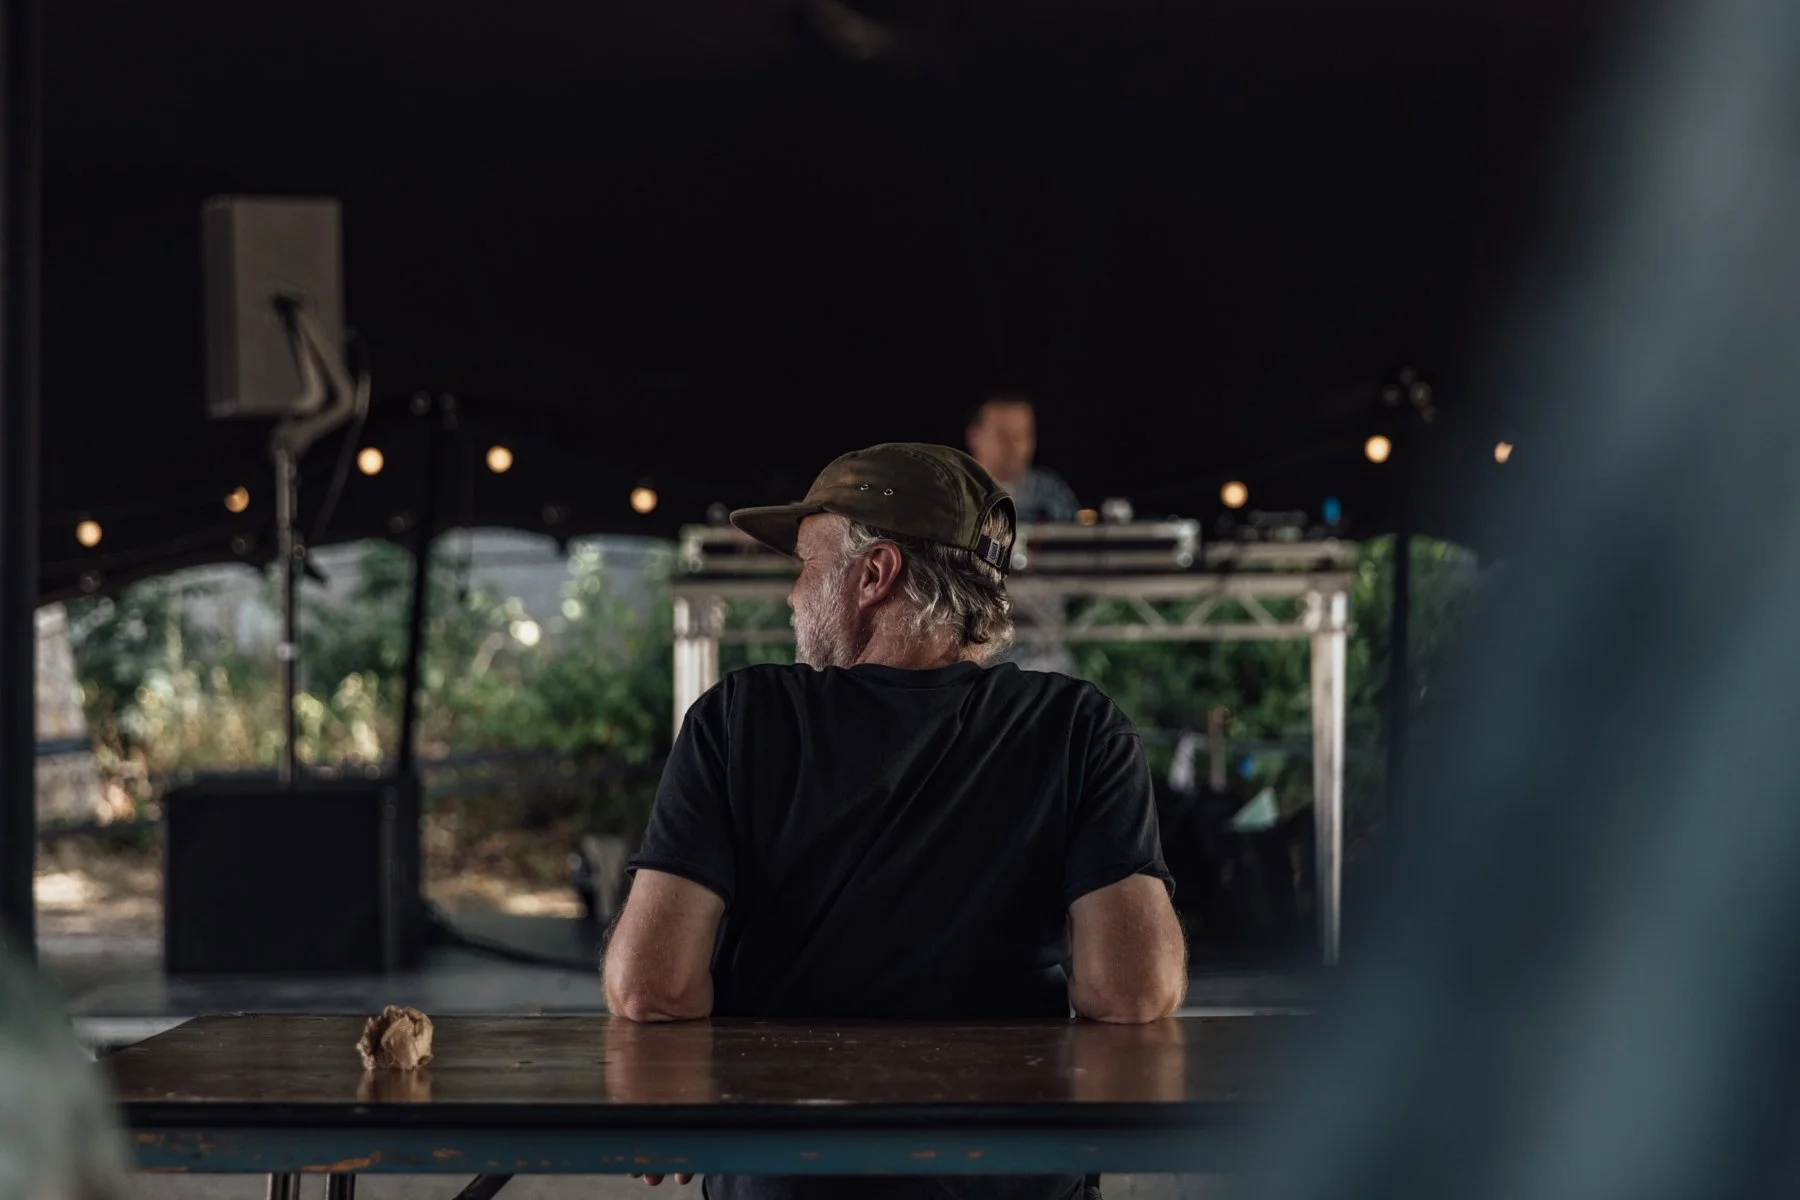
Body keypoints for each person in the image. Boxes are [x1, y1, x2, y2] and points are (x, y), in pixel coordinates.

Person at [603, 442, 1187, 1200]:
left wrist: (685, 1094)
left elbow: (652, 990)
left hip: (790, 1181)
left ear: (875, 575)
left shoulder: (740, 719)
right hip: (1010, 1181)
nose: (791, 597)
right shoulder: (1080, 728)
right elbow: (1134, 993)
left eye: (807, 565)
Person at [964, 395, 1080, 525]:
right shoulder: (954, 492)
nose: (1014, 445)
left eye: (1022, 435)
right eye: (1003, 435)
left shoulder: (1050, 492)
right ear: (974, 437)